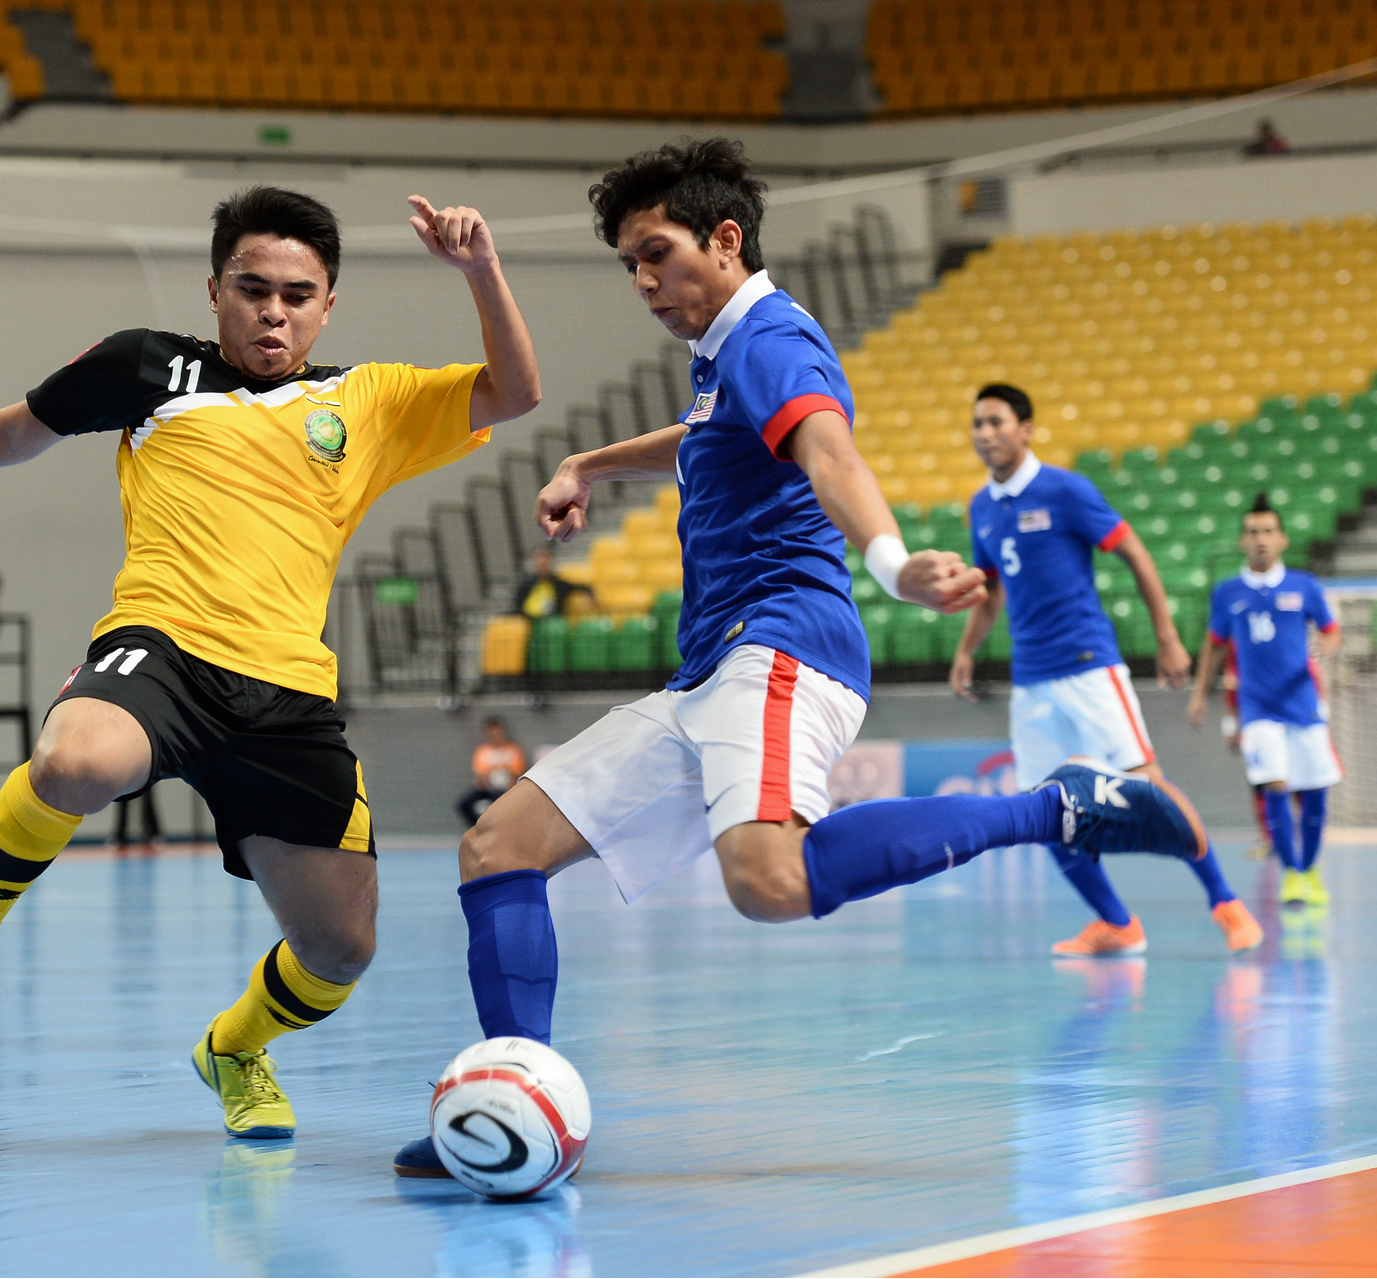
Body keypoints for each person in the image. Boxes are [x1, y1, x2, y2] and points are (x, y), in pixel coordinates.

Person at [392, 138, 1210, 1178]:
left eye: (657, 254)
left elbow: (828, 447)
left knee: (770, 879)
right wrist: (588, 462)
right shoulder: (723, 357)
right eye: (629, 265)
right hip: (710, 669)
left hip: (783, 642)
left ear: (725, 239)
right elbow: (702, 436)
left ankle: (1058, 806)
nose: (643, 282)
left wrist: (893, 563)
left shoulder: (771, 335)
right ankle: (518, 1098)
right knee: (499, 846)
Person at [0, 186, 542, 1138]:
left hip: (288, 697)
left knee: (340, 951)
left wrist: (481, 269)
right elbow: (18, 429)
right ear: (215, 290)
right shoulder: (149, 367)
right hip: (163, 650)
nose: (273, 311)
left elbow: (515, 392)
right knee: (74, 761)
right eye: (253, 288)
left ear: (327, 306)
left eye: (297, 295)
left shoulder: (367, 400)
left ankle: (235, 1046)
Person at [948, 384, 1260, 957]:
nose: (984, 434)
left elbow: (1134, 552)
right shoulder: (982, 507)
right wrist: (968, 650)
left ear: (1026, 429)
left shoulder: (1065, 490)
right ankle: (1117, 924)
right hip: (1031, 681)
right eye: (977, 424)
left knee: (1149, 787)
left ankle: (1226, 902)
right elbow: (990, 589)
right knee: (1046, 811)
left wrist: (1167, 636)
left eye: (996, 422)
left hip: (1089, 668)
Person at [1189, 496, 1342, 908]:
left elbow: (1331, 630)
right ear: (1242, 541)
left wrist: (1326, 645)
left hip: (1303, 704)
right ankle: (1291, 873)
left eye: (1268, 532)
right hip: (1258, 708)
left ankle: (1309, 869)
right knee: (1274, 784)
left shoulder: (1304, 585)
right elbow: (1214, 644)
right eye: (1253, 532)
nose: (1261, 540)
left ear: (1283, 539)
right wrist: (1199, 695)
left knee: (1315, 793)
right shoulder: (1227, 592)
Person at [457, 717, 527, 827]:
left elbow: (518, 772)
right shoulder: (482, 750)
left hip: (507, 789)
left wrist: (506, 773)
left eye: (497, 733)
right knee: (464, 804)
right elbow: (479, 773)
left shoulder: (513, 749)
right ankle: (477, 829)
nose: (495, 736)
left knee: (500, 805)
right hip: (487, 788)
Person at [511, 547, 592, 619]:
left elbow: (578, 587)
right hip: (532, 621)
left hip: (553, 621)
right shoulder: (526, 585)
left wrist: (589, 593)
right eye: (540, 564)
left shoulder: (558, 583)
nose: (543, 567)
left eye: (545, 564)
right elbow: (517, 605)